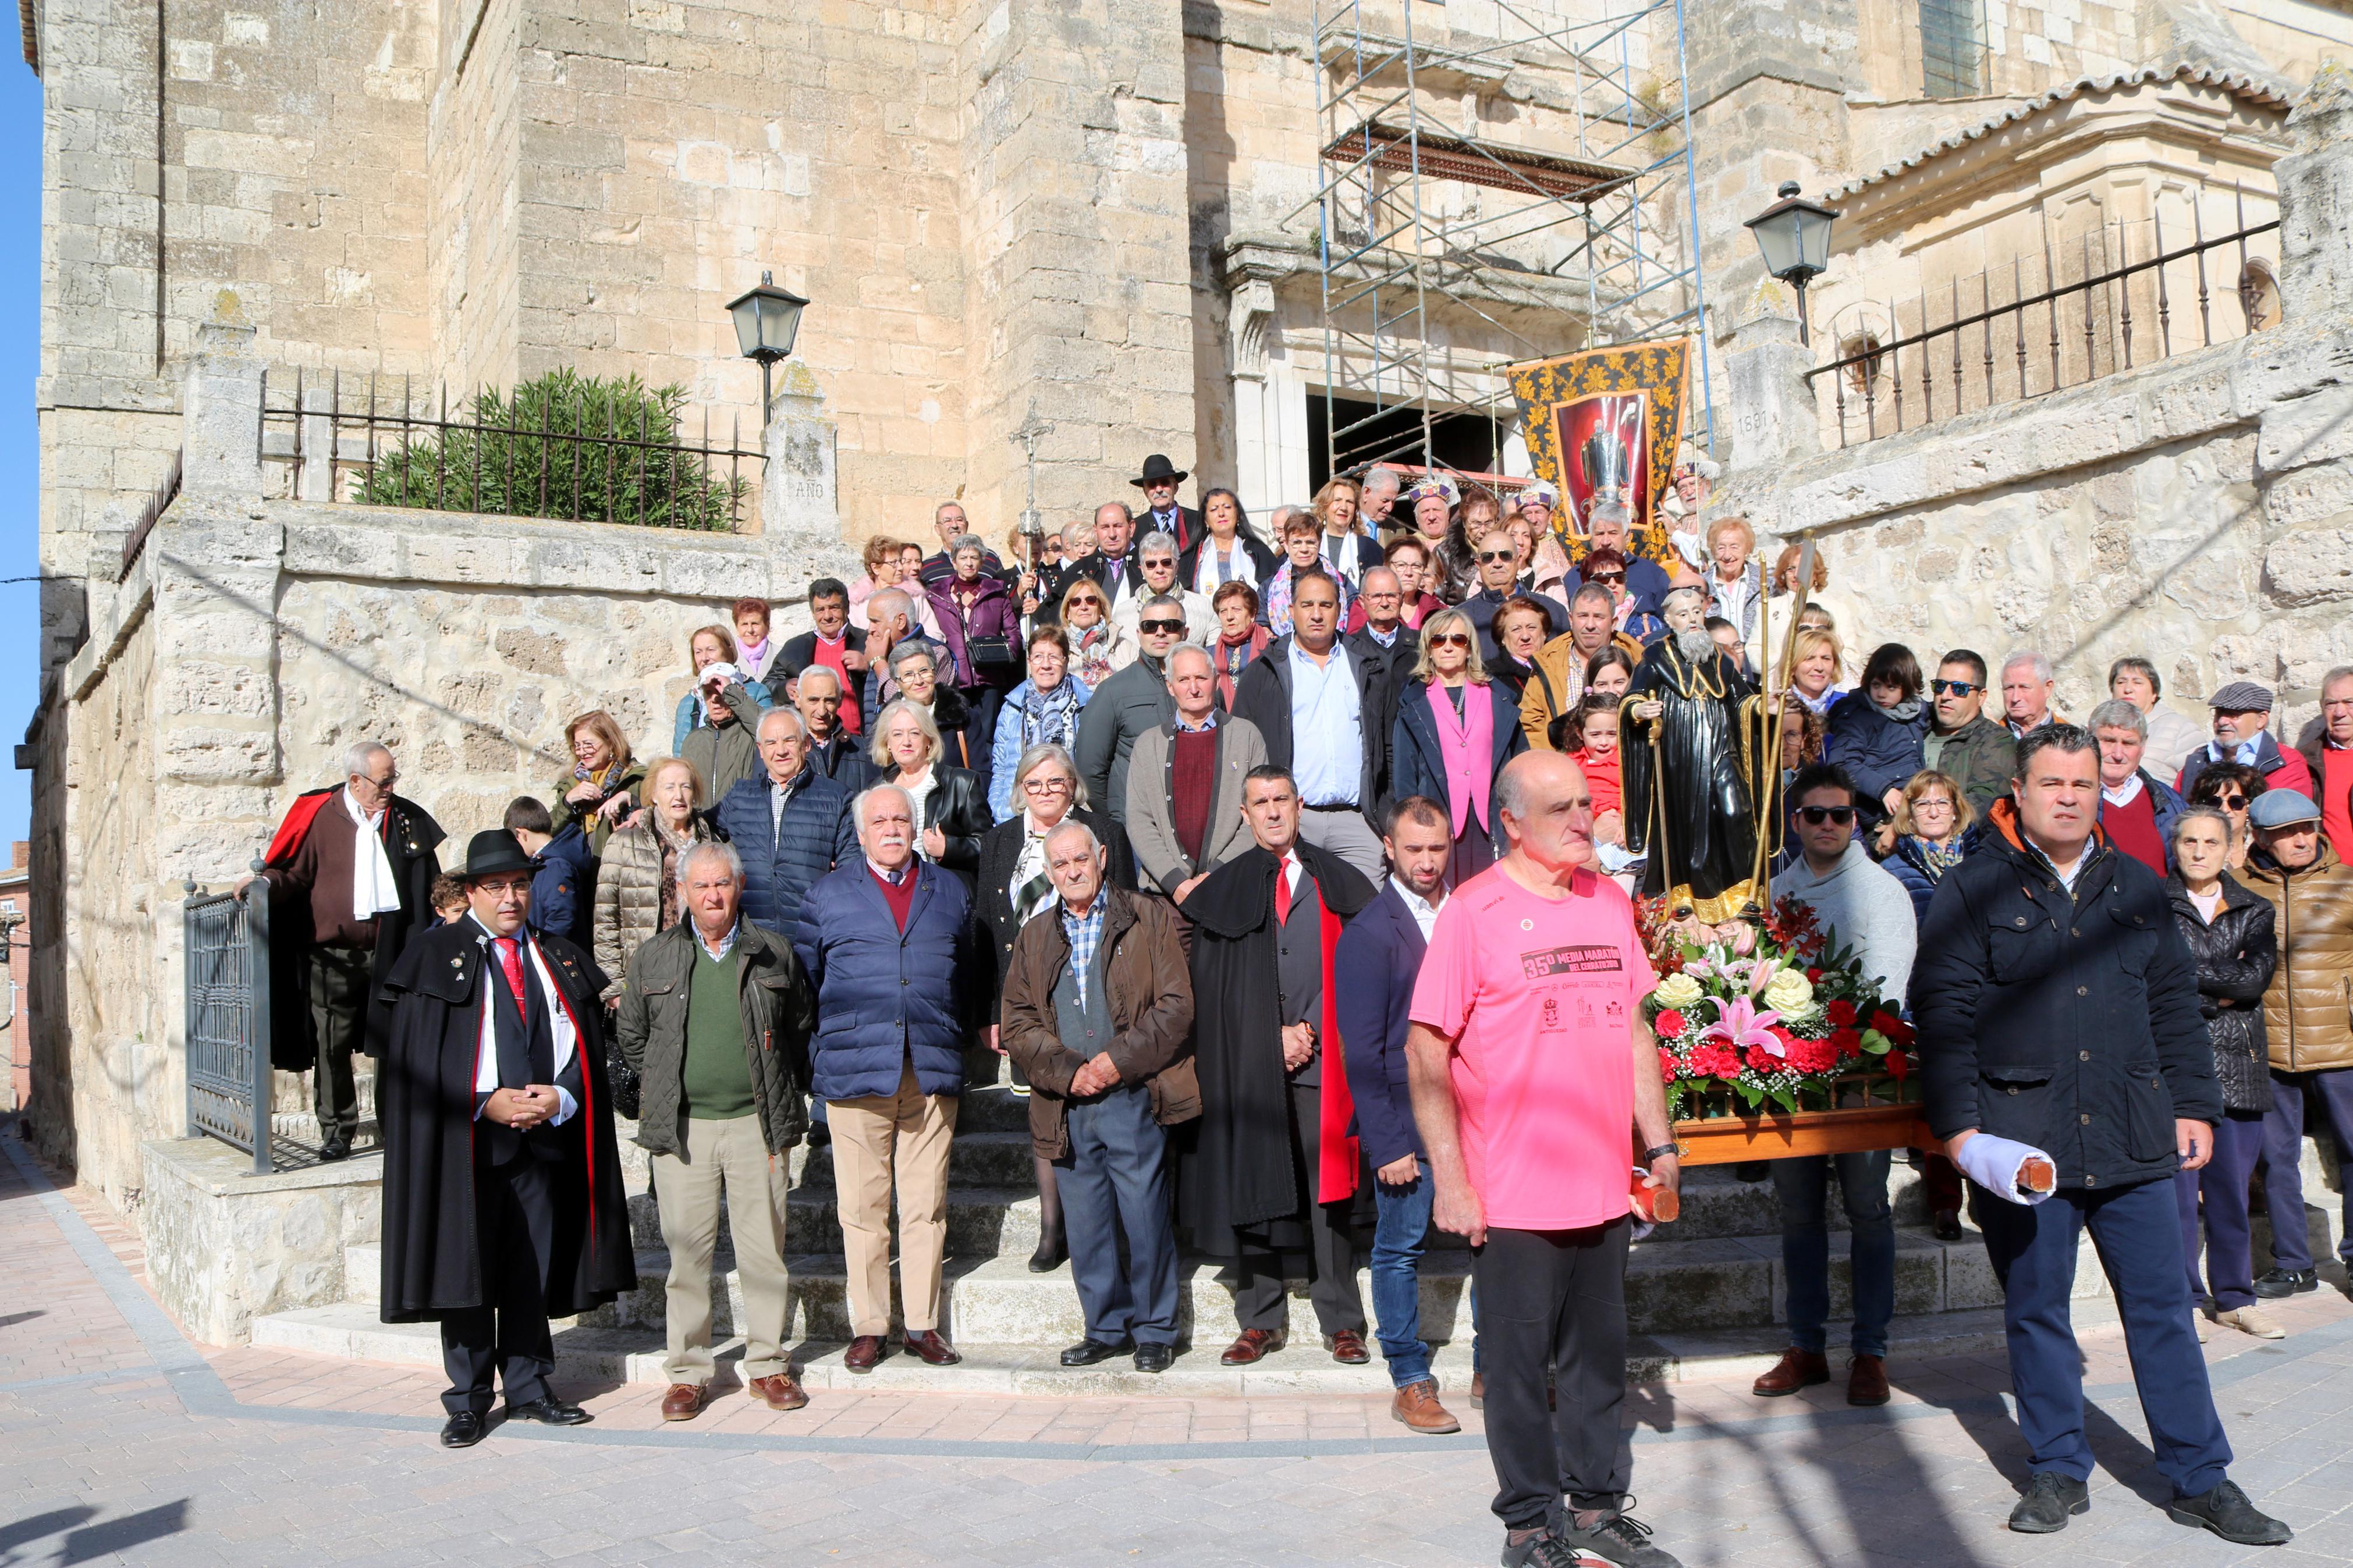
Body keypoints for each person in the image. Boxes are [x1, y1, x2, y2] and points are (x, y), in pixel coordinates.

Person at [1911, 726, 2290, 1545]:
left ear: (2097, 791)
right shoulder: (1971, 890)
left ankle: (2198, 1475)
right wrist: (1959, 1132)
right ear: (2017, 790)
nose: (2068, 796)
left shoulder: (2139, 888)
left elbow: (2172, 1008)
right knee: (2036, 1309)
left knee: (2161, 1311)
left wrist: (2194, 1106)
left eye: (2081, 784)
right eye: (2051, 782)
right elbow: (1942, 1019)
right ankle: (2054, 1467)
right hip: (2025, 1144)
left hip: (2134, 1134)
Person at [1406, 751, 1680, 1568]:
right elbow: (1426, 1052)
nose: (1582, 819)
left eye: (1586, 803)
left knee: (1597, 1361)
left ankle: (1594, 1508)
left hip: (1601, 1183)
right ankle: (1529, 1526)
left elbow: (1634, 1030)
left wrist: (1658, 1142)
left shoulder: (1605, 901)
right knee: (1517, 1371)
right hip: (1513, 1192)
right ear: (1512, 824)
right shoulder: (1472, 912)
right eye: (1560, 807)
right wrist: (1450, 1179)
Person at [377, 830, 633, 1449]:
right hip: (465, 1146)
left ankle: (529, 1386)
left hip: (543, 1143)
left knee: (531, 1264)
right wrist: (482, 1102)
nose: (511, 898)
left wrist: (562, 1095)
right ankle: (467, 1399)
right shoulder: (435, 956)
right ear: (471, 893)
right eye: (496, 887)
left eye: (520, 884)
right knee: (466, 1268)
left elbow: (587, 1049)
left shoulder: (558, 955)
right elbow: (417, 1060)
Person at [1179, 766, 1378, 1366]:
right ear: (1243, 814)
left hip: (1325, 1063)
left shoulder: (1337, 879)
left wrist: (1310, 1032)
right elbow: (1210, 989)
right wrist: (1269, 1035)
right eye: (1259, 802)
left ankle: (1340, 1318)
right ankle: (1259, 1319)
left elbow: (1361, 971)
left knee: (1328, 1193)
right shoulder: (1222, 891)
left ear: (1298, 806)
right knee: (1255, 1182)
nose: (1271, 812)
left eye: (1280, 800)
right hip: (1249, 1062)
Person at [615, 840, 815, 1420]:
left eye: (721, 884)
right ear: (680, 891)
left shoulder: (773, 952)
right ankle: (687, 1373)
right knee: (688, 1257)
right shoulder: (654, 957)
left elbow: (799, 1026)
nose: (712, 895)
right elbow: (633, 1037)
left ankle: (768, 1365)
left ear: (739, 886)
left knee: (763, 1254)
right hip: (684, 1130)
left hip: (757, 1126)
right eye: (700, 885)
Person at [794, 784, 982, 1372]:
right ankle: (871, 1326)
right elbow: (806, 980)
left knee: (925, 1205)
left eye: (902, 818)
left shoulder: (950, 890)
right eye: (880, 820)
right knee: (862, 1207)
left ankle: (921, 1325)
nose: (893, 828)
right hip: (855, 1069)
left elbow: (969, 974)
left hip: (927, 1069)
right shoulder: (826, 894)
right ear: (861, 833)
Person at [1000, 819, 1197, 1373]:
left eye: (1080, 859)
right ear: (1048, 872)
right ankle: (1105, 1326)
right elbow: (1015, 1022)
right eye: (1060, 864)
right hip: (1065, 1101)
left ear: (1102, 856)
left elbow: (1176, 1005)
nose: (1072, 871)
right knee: (1085, 1221)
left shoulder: (1146, 916)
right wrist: (1068, 1071)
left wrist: (1118, 1060)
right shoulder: (1036, 934)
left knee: (1144, 1214)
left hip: (1133, 1090)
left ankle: (1157, 1329)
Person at [1751, 763, 1916, 1407]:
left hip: (1859, 1076)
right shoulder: (1774, 891)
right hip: (1789, 1075)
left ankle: (1869, 1350)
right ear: (1794, 820)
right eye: (1814, 814)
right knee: (1797, 1213)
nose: (1827, 825)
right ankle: (1805, 1344)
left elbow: (1887, 988)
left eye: (1839, 815)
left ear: (1855, 820)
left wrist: (1839, 1031)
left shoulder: (1880, 892)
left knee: (1868, 1209)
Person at [975, 742, 1134, 1270]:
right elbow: (983, 929)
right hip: (1027, 998)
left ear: (1073, 786)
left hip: (1094, 989)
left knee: (1104, 1105)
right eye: (1034, 783)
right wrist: (991, 1010)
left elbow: (1130, 911)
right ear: (1020, 788)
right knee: (1043, 1109)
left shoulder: (1104, 832)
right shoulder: (999, 842)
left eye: (1055, 783)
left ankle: (1109, 1222)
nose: (1045, 792)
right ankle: (1052, 1227)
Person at [1333, 796, 1464, 1435]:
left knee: (1497, 1244)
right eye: (1412, 848)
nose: (1425, 860)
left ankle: (1501, 1365)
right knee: (1398, 1248)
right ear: (1388, 847)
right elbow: (1360, 1049)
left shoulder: (1470, 915)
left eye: (1436, 847)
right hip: (1406, 1124)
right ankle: (1410, 1378)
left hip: (1478, 1119)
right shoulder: (1369, 930)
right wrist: (1386, 1141)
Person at [249, 741, 446, 1161]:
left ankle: (397, 1127)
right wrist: (263, 884)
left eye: (393, 778)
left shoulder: (405, 820)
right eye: (384, 779)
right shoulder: (321, 816)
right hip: (332, 956)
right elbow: (294, 873)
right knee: (332, 1046)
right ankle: (338, 1129)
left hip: (391, 953)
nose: (391, 786)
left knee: (393, 1043)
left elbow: (429, 883)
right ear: (356, 780)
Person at [2166, 806, 2281, 1341]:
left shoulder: (2254, 908)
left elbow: (2253, 981)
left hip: (2239, 1063)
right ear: (2175, 845)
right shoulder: (2151, 906)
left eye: (2209, 842)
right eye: (2188, 840)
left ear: (2230, 849)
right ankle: (2186, 1297)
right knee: (2178, 1195)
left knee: (2232, 1192)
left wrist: (2191, 981)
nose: (2197, 851)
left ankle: (2235, 1298)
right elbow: (2154, 976)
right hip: (2174, 1066)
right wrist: (2220, 985)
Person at [2240, 787, 2353, 1301]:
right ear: (2261, 838)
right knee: (2275, 1156)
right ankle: (2293, 1264)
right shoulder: (2237, 885)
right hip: (2266, 1043)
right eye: (2287, 832)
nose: (2301, 838)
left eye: (2306, 827)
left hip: (2340, 1039)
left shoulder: (2346, 883)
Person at [1618, 585, 1768, 922]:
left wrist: (1760, 705)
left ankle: (1741, 890)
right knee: (1686, 823)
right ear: (1670, 621)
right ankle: (1683, 892)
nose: (1692, 620)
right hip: (1680, 759)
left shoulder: (1720, 659)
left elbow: (1741, 700)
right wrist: (1639, 711)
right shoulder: (1656, 658)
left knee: (1736, 811)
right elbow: (1632, 698)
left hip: (1722, 752)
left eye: (1697, 612)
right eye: (1683, 615)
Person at [1231, 568, 1390, 885]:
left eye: (1326, 605)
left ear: (1340, 610)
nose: (1316, 615)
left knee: (1367, 919)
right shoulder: (1264, 670)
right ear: (1291, 611)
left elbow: (1387, 746)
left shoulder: (1368, 665)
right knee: (1298, 922)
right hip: (1291, 823)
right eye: (1307, 605)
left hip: (1358, 821)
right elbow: (1241, 748)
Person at [1389, 608, 1528, 888]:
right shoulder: (1413, 702)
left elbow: (1519, 762)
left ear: (1470, 648)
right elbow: (1405, 775)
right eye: (1439, 640)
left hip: (1490, 820)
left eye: (1458, 640)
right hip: (1439, 822)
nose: (1449, 646)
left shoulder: (1497, 696)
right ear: (1428, 649)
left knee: (1493, 895)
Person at [1127, 644, 1268, 905]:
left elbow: (1257, 817)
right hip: (1165, 894)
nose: (1194, 688)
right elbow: (1139, 821)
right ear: (1170, 686)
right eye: (1183, 680)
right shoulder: (1148, 745)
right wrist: (1175, 882)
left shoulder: (1247, 737)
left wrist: (1216, 874)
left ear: (1216, 681)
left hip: (1230, 888)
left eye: (1201, 678)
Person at [714, 708, 858, 944]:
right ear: (761, 750)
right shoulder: (740, 795)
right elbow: (697, 827)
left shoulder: (837, 798)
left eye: (789, 740)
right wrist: (648, 813)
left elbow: (851, 871)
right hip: (751, 936)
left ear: (806, 745)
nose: (780, 751)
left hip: (813, 934)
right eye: (771, 743)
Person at [592, 755, 716, 997]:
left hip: (702, 976)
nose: (679, 796)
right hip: (645, 979)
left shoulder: (711, 842)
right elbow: (605, 918)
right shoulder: (625, 842)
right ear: (654, 795)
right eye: (669, 787)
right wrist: (615, 989)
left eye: (686, 787)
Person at [1074, 594, 1187, 829]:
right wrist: (1119, 818)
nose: (1160, 633)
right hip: (1135, 829)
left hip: (1192, 825)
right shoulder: (1113, 692)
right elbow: (1089, 770)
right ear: (1139, 634)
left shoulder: (1203, 689)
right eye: (1150, 627)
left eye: (1170, 626)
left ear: (1185, 632)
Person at [925, 534, 1021, 785]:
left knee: (987, 736)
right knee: (955, 735)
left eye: (975, 558)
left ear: (982, 562)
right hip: (953, 678)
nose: (969, 563)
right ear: (954, 562)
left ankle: (988, 785)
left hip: (989, 678)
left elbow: (1013, 634)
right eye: (963, 558)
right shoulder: (937, 594)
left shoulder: (995, 592)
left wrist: (1003, 657)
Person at [871, 697, 991, 893]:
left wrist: (948, 848)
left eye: (915, 733)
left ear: (928, 740)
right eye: (898, 734)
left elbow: (990, 846)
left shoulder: (960, 783)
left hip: (945, 894)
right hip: (891, 894)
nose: (906, 742)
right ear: (888, 744)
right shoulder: (878, 791)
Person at [989, 624, 1091, 820]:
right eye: (1038, 657)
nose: (1045, 665)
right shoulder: (1013, 707)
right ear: (1029, 662)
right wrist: (999, 809)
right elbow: (1001, 767)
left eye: (1054, 657)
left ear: (1066, 661)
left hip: (1072, 813)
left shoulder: (1085, 705)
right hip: (1019, 813)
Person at [1825, 643, 1928, 827]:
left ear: (1906, 687)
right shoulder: (1856, 717)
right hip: (1880, 812)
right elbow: (1842, 763)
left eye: (1891, 687)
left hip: (1917, 802)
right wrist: (1884, 790)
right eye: (1876, 685)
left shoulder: (1914, 712)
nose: (1881, 694)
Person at [1520, 584, 1630, 750]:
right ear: (1571, 619)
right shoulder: (1548, 662)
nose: (1590, 625)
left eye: (1599, 617)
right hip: (1564, 766)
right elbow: (1530, 724)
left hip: (1623, 766)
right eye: (1583, 616)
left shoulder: (1637, 660)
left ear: (1614, 622)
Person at [2090, 698, 2188, 879]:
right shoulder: (2072, 800)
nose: (2118, 754)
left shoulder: (2172, 805)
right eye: (2109, 741)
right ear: (2090, 740)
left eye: (2128, 743)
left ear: (2143, 746)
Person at [2178, 681, 2316, 803]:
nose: (2222, 721)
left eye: (2233, 714)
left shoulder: (2286, 763)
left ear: (2261, 720)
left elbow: (2283, 818)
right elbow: (2176, 811)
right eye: (2219, 713)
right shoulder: (2199, 759)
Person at [1921, 649, 2014, 816]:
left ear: (1981, 697)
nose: (1945, 696)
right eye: (1940, 686)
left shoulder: (1996, 741)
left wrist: (1906, 823)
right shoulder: (1913, 727)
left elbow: (1985, 803)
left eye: (1959, 689)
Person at [775, 578, 869, 739]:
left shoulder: (867, 641)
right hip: (810, 740)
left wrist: (869, 667)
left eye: (834, 608)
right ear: (813, 613)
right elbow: (769, 685)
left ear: (846, 608)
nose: (827, 616)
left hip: (859, 740)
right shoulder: (795, 647)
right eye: (820, 610)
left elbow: (891, 681)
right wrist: (784, 689)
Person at [1881, 770, 1972, 923]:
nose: (1934, 813)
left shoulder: (1979, 859)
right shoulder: (1891, 872)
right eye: (1923, 804)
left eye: (1943, 803)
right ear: (1910, 814)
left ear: (1955, 811)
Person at [549, 710, 643, 860]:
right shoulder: (570, 784)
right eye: (577, 746)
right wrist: (568, 801)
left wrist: (629, 799)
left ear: (610, 743)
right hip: (581, 872)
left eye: (588, 745)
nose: (582, 752)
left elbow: (657, 818)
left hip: (621, 866)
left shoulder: (635, 778)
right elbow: (549, 830)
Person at [505, 796, 594, 948]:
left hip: (555, 953)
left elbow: (561, 917)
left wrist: (540, 949)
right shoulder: (547, 862)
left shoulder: (556, 865)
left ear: (522, 834)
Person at [1462, 530, 1564, 661]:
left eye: (1506, 556)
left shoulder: (1552, 610)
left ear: (1518, 560)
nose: (1497, 564)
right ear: (1478, 564)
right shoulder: (1463, 616)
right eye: (1488, 557)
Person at [672, 624, 772, 752]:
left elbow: (769, 735)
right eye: (698, 652)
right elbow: (680, 752)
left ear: (728, 650)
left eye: (711, 650)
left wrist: (732, 692)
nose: (704, 658)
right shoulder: (688, 703)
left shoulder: (756, 692)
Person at [1561, 501, 1672, 616]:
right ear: (1591, 538)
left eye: (1613, 533)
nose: (1606, 542)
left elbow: (1670, 623)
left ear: (1627, 536)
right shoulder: (1574, 576)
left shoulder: (1653, 574)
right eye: (1600, 534)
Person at [857, 587, 944, 733]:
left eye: (875, 621)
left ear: (901, 621)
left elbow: (916, 706)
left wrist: (879, 663)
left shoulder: (936, 652)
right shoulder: (880, 650)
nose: (870, 629)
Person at [1262, 504, 1355, 636]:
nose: (1304, 549)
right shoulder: (1270, 586)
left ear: (1319, 544)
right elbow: (1261, 620)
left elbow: (1356, 616)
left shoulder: (1340, 582)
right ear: (1287, 545)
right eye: (1297, 543)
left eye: (1310, 542)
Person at [1343, 566, 1420, 723]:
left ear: (1402, 599)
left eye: (1391, 595)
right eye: (1376, 596)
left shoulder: (1422, 644)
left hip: (1412, 740)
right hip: (1371, 742)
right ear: (1362, 601)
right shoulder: (1349, 649)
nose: (1384, 603)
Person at [1111, 529, 1213, 647]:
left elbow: (1215, 657)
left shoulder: (1204, 607)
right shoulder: (1122, 614)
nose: (1159, 570)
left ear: (1176, 566)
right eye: (1151, 564)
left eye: (1166, 562)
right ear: (1142, 570)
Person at [2294, 664, 2353, 864]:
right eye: (2331, 704)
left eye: (2349, 702)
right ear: (2322, 707)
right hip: (2329, 880)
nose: (2339, 712)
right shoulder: (2305, 761)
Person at [2110, 656, 2205, 781]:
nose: (2128, 689)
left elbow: (2197, 781)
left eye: (2137, 682)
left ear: (2154, 693)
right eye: (2121, 682)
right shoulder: (2099, 728)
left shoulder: (2181, 728)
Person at [884, 642, 973, 769]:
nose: (919, 681)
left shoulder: (961, 715)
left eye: (924, 671)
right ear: (897, 683)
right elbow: (877, 778)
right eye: (908, 675)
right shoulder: (887, 722)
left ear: (934, 672)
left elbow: (981, 775)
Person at [793, 664, 876, 792]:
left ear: (841, 699)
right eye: (813, 700)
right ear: (797, 699)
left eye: (829, 701)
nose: (822, 711)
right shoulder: (782, 749)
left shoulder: (862, 750)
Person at [1181, 486, 1277, 596]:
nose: (1221, 514)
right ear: (1206, 520)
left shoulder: (1257, 551)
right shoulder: (1193, 556)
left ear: (1237, 515)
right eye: (1214, 509)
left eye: (1227, 507)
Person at [1062, 501, 1147, 616]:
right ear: (1096, 531)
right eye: (1105, 527)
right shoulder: (1079, 569)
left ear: (1131, 528)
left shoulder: (1150, 565)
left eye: (1118, 526)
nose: (1112, 534)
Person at [1576, 546, 1665, 648]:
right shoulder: (1579, 624)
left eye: (1619, 577)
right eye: (1603, 578)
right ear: (1587, 584)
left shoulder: (1649, 625)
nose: (1613, 584)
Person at [1056, 575, 1134, 689]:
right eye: (1076, 602)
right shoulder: (1058, 648)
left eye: (1091, 600)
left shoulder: (1123, 646)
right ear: (1068, 612)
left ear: (1101, 608)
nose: (1083, 607)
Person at [915, 499, 1014, 588]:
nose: (954, 525)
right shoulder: (927, 568)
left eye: (959, 520)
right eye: (947, 521)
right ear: (937, 529)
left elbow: (1004, 592)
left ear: (966, 525)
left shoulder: (989, 558)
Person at [2187, 762, 2267, 871]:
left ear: (2249, 805)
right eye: (2214, 802)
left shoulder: (2265, 848)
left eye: (2235, 802)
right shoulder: (2194, 851)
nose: (2225, 809)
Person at [1308, 474, 1379, 589]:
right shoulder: (1308, 543)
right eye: (1337, 500)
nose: (1344, 507)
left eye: (1350, 502)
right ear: (1324, 506)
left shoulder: (1370, 548)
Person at [1208, 580, 1269, 709]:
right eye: (1223, 611)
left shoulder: (1270, 650)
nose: (1229, 617)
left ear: (1252, 614)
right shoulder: (1208, 656)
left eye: (1236, 610)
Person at [1703, 515, 1762, 649]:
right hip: (1716, 661)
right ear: (1713, 551)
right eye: (1721, 548)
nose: (1728, 555)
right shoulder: (1701, 586)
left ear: (1747, 549)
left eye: (1734, 547)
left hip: (1757, 663)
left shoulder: (1765, 583)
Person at [1131, 453, 1202, 553]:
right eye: (1152, 485)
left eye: (1165, 482)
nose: (1159, 489)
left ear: (1175, 487)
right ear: (1145, 492)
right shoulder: (1136, 528)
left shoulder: (1197, 521)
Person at [1999, 650, 2061, 738]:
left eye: (2024, 687)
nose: (2015, 698)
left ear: (2047, 688)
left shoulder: (2071, 742)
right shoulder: (1988, 740)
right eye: (2009, 688)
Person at [1787, 628, 1846, 718]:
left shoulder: (1849, 707)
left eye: (1826, 659)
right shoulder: (1779, 706)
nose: (1819, 667)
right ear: (1792, 667)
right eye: (1809, 659)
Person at [850, 534, 903, 629]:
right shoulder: (857, 602)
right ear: (876, 568)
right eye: (893, 563)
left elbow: (933, 635)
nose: (901, 568)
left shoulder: (914, 596)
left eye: (900, 561)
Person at [732, 595, 784, 691]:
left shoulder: (782, 655)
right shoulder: (728, 656)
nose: (750, 630)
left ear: (767, 626)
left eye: (755, 624)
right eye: (744, 624)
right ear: (737, 627)